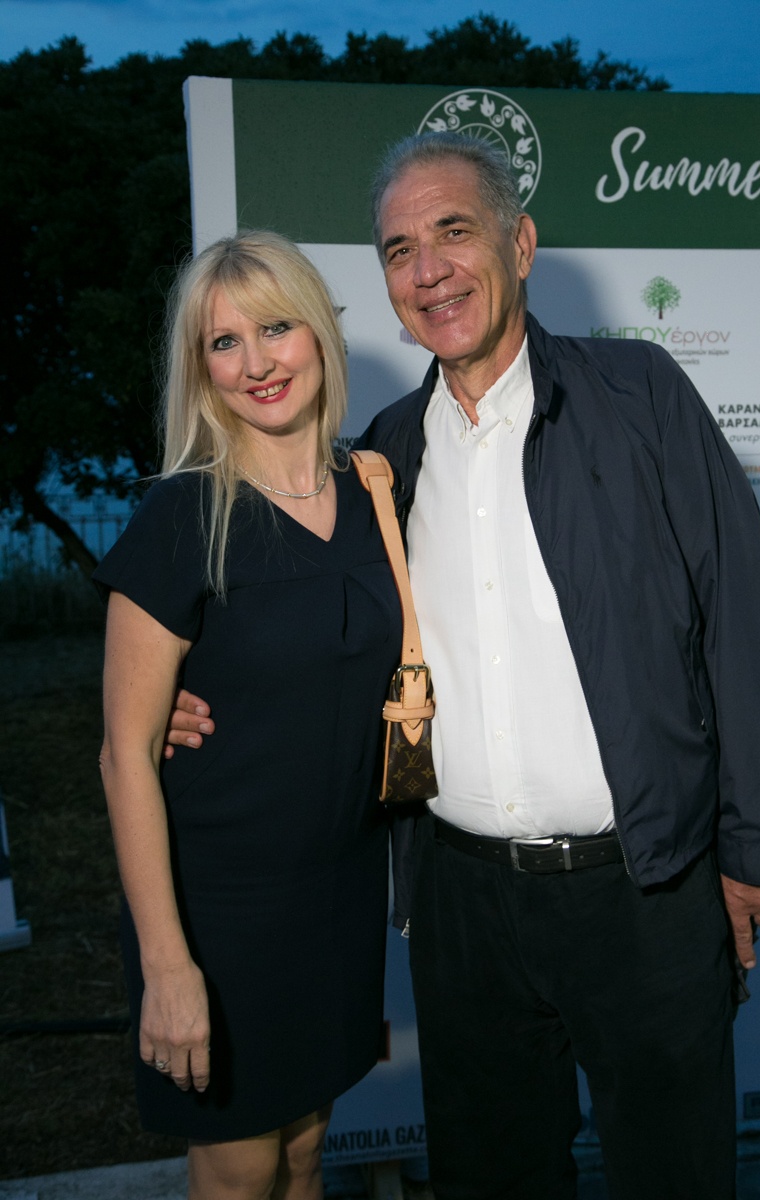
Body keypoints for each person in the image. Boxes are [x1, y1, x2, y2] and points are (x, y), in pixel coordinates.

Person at [168, 136, 760, 1199]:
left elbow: (739, 617)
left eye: (453, 232)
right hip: (462, 907)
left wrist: (754, 849)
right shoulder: (383, 456)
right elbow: (315, 641)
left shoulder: (639, 395)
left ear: (520, 244)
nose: (428, 271)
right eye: (398, 250)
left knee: (674, 1176)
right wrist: (192, 697)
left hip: (645, 891)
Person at [95, 231, 400, 1200]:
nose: (257, 362)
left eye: (275, 329)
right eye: (224, 342)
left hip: (341, 891)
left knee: (307, 1152)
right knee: (239, 1168)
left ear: (319, 334)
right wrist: (168, 966)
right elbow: (124, 754)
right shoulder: (181, 517)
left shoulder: (376, 494)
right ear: (201, 369)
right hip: (220, 911)